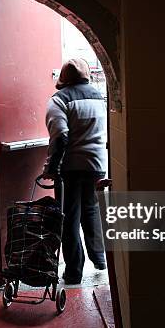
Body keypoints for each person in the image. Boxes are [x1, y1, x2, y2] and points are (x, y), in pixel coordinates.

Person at [41, 58, 108, 284]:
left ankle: (73, 273)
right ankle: (100, 260)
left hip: (70, 168)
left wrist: (51, 168)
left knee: (69, 218)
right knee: (91, 211)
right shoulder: (100, 97)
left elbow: (60, 136)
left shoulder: (59, 101)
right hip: (97, 166)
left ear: (63, 77)